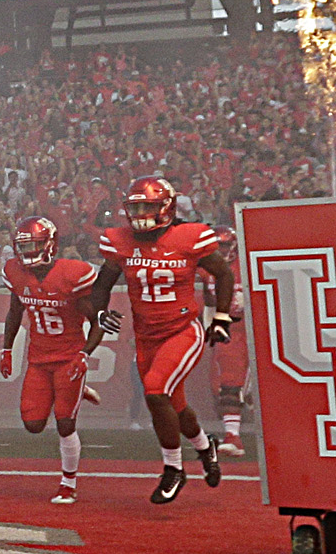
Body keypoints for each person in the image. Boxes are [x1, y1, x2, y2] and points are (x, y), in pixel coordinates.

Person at [90, 178, 235, 504]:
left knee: (155, 391)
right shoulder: (120, 240)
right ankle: (204, 446)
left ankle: (173, 469)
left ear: (167, 207)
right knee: (176, 406)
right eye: (136, 206)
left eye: (148, 206)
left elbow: (223, 274)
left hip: (182, 330)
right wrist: (99, 314)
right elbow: (101, 285)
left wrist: (221, 317)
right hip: (146, 337)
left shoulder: (189, 236)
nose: (140, 213)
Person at [0, 216, 108, 504]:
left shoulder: (72, 275)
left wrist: (85, 354)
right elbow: (14, 312)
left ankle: (67, 484)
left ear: (50, 244)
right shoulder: (15, 272)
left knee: (64, 423)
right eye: (23, 246)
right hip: (39, 359)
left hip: (69, 358)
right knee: (33, 424)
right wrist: (6, 348)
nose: (27, 252)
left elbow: (98, 321)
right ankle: (77, 392)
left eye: (33, 245)